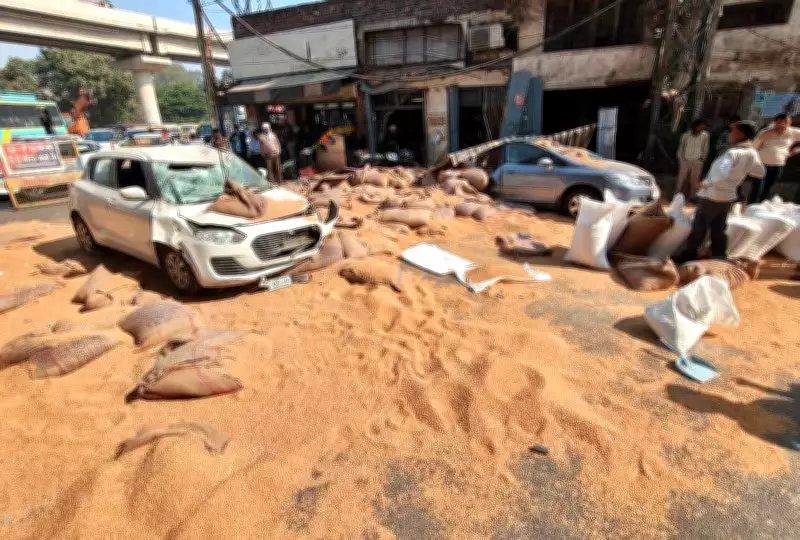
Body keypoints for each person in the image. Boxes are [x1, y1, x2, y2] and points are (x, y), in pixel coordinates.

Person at [675, 121, 765, 264]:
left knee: (699, 227)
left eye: (733, 132)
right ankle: (719, 256)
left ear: (740, 134)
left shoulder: (732, 153)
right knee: (719, 229)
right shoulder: (751, 153)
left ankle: (689, 255)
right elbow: (760, 172)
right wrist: (740, 173)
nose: (730, 135)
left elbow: (721, 174)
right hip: (728, 197)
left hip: (712, 196)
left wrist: (704, 183)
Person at [751, 113, 800, 203]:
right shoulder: (766, 132)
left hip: (778, 165)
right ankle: (752, 205)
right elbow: (754, 147)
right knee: (758, 187)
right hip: (762, 164)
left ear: (789, 123)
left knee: (769, 187)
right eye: (779, 123)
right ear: (775, 123)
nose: (781, 125)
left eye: (784, 123)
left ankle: (762, 206)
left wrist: (795, 150)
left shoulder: (793, 132)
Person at [676, 119, 709, 199]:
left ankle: (692, 196)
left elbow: (705, 148)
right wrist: (681, 159)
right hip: (685, 160)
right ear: (695, 126)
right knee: (681, 178)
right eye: (700, 127)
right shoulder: (686, 135)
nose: (701, 129)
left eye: (703, 127)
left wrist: (702, 159)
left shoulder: (705, 135)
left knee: (695, 179)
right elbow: (681, 148)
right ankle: (676, 194)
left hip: (697, 160)